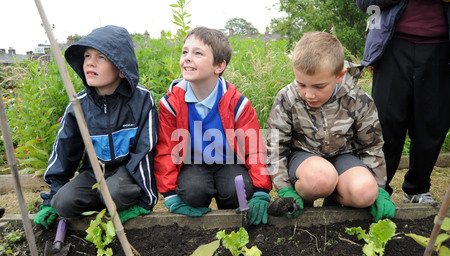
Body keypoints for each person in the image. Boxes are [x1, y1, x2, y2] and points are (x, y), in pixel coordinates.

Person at [34, 25, 158, 228]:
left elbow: (146, 150)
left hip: (128, 171)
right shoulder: (78, 105)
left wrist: (147, 199)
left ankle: (113, 200)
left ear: (121, 68)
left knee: (115, 193)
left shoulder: (141, 100)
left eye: (101, 57)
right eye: (87, 56)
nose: (90, 62)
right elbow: (65, 150)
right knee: (63, 203)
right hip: (94, 171)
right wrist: (51, 199)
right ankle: (104, 201)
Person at [266, 31, 394, 222]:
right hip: (304, 161)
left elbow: (371, 147)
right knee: (321, 179)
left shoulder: (358, 99)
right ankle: (299, 199)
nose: (309, 94)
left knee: (366, 192)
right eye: (302, 84)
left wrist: (379, 189)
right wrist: (285, 188)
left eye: (319, 87)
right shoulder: (287, 98)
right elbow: (276, 149)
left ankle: (334, 200)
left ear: (339, 75)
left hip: (343, 157)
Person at [155, 27, 272, 225]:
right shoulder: (171, 104)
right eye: (185, 52)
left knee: (239, 190)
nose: (188, 58)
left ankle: (230, 224)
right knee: (192, 192)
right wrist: (170, 195)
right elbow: (166, 150)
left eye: (198, 53)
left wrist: (262, 191)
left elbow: (254, 148)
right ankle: (199, 227)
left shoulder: (237, 104)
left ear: (219, 66)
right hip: (193, 163)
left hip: (228, 161)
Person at [355, 0, 450, 203]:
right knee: (386, 122)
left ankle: (417, 188)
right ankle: (377, 189)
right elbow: (364, 3)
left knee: (432, 123)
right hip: (392, 46)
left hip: (441, 48)